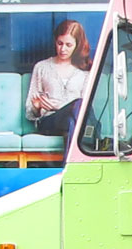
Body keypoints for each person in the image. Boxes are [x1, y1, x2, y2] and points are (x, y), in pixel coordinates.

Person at [26, 20, 91, 163]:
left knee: (74, 116)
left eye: (68, 45)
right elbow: (29, 113)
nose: (63, 49)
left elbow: (86, 108)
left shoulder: (85, 72)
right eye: (60, 43)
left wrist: (59, 106)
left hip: (74, 122)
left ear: (77, 45)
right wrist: (37, 108)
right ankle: (75, 166)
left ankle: (67, 165)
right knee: (78, 111)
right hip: (49, 122)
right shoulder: (42, 67)